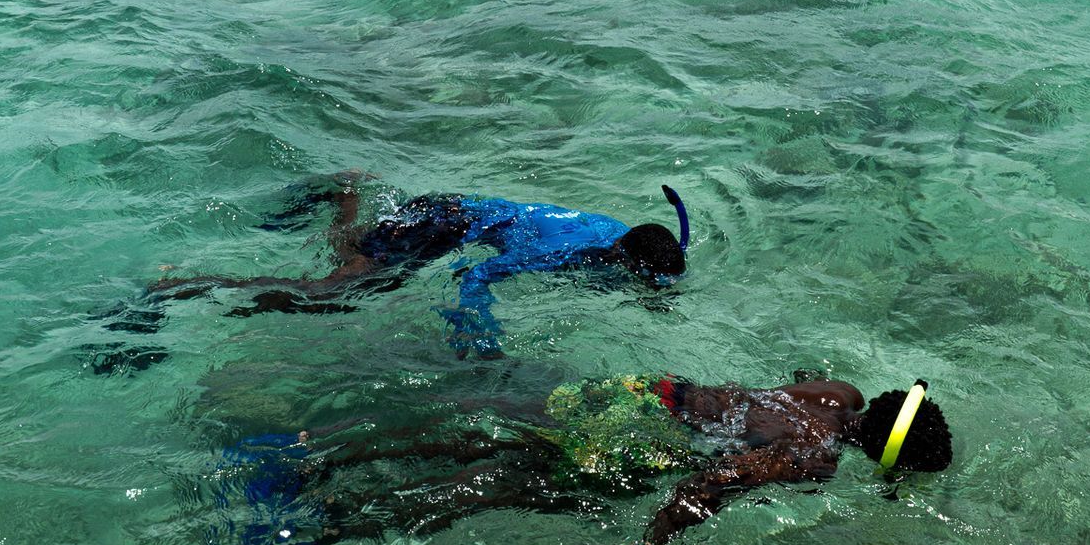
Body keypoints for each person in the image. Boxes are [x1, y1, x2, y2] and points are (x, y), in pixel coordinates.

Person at [209, 372, 953, 545]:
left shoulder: (834, 394)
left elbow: (772, 397)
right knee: (493, 489)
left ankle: (301, 457)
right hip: (639, 452)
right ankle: (318, 528)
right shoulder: (811, 464)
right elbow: (708, 485)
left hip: (641, 395)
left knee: (474, 432)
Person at [93, 175, 692, 370]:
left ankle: (343, 193)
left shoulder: (628, 239)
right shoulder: (568, 253)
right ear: (625, 259)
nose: (651, 292)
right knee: (335, 294)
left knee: (351, 270)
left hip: (450, 213)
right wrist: (475, 325)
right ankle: (174, 288)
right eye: (648, 283)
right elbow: (478, 276)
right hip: (445, 223)